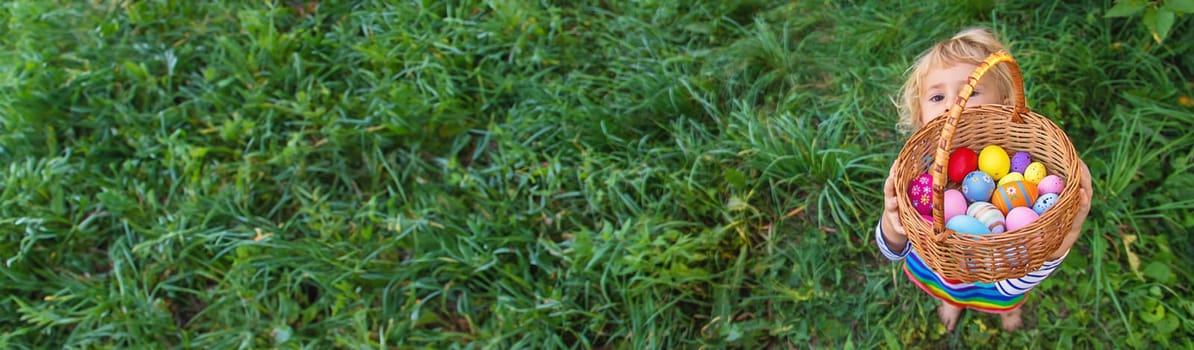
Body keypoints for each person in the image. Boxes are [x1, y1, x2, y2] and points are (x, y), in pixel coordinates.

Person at [876, 27, 1093, 332]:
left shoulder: (1011, 159)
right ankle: (952, 301)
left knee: (1007, 295)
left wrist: (1062, 240)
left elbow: (1024, 247)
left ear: (1004, 103)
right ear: (920, 115)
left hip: (1007, 272)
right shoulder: (918, 175)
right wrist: (891, 219)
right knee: (949, 288)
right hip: (942, 267)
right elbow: (891, 250)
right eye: (937, 96)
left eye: (971, 91)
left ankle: (1006, 310)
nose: (954, 104)